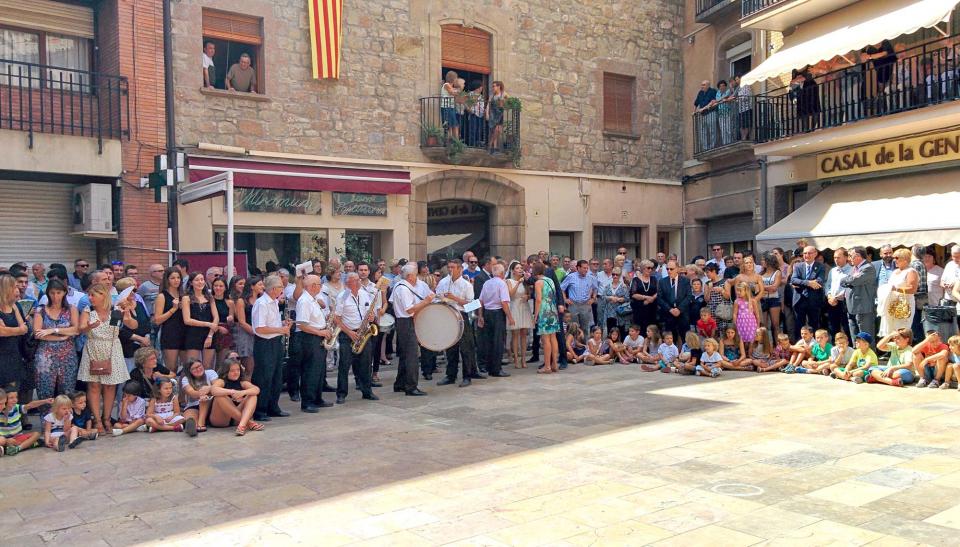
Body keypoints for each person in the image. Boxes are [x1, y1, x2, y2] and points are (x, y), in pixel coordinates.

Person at [78, 283, 135, 433]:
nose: (90, 298)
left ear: (103, 295)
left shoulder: (115, 310)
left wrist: (127, 315)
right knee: (94, 386)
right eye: (89, 295)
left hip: (112, 348)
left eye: (93, 295)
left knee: (110, 385)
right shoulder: (88, 310)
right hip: (93, 348)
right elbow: (81, 329)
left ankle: (107, 418)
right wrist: (90, 326)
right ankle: (97, 420)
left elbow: (134, 325)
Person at [32, 279, 79, 409]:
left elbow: (75, 329)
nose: (55, 296)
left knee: (67, 389)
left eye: (58, 292)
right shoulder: (40, 310)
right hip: (45, 355)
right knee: (45, 389)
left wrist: (52, 330)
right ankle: (46, 421)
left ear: (64, 292)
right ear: (48, 293)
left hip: (67, 354)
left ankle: (66, 421)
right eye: (52, 293)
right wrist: (62, 337)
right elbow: (38, 333)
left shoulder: (71, 309)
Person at [251, 275, 291, 421]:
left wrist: (282, 324)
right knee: (264, 377)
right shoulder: (261, 304)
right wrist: (281, 330)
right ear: (273, 289)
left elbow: (271, 324)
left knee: (276, 376)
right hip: (264, 344)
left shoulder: (274, 302)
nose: (282, 289)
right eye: (281, 287)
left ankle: (273, 406)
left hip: (275, 342)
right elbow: (260, 328)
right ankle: (260, 410)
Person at [390, 264, 434, 395]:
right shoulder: (403, 289)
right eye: (415, 275)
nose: (416, 278)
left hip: (403, 322)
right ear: (410, 276)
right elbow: (409, 309)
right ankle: (411, 387)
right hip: (406, 321)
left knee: (405, 355)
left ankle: (400, 383)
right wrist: (426, 301)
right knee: (411, 356)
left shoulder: (401, 286)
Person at [436, 259, 481, 386]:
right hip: (447, 314)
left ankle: (467, 376)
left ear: (460, 269)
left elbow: (472, 305)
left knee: (466, 347)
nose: (450, 269)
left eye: (453, 267)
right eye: (449, 267)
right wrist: (442, 299)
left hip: (461, 315)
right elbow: (436, 297)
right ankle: (450, 375)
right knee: (450, 347)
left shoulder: (466, 285)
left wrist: (454, 299)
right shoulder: (444, 282)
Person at [295, 274, 334, 411]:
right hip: (310, 338)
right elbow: (302, 324)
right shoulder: (305, 301)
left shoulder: (313, 299)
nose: (321, 287)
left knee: (319, 370)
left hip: (318, 336)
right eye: (319, 284)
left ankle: (317, 398)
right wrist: (320, 332)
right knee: (310, 371)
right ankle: (308, 402)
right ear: (312, 286)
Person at [477, 263, 514, 378]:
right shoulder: (502, 284)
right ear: (502, 273)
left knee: (488, 341)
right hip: (498, 313)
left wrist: (480, 316)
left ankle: (488, 366)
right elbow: (504, 302)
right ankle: (497, 369)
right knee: (498, 342)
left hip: (487, 313)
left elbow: (481, 301)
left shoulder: (487, 283)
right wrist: (510, 317)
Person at [210, 358, 262, 435]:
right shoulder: (221, 381)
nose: (236, 372)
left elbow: (256, 389)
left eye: (238, 370)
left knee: (253, 395)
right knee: (219, 396)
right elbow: (213, 390)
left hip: (237, 420)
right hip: (221, 419)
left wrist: (242, 392)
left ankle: (242, 425)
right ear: (226, 371)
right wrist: (232, 392)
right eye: (232, 371)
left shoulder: (242, 382)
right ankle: (249, 422)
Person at [877, 248, 919, 337]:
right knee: (891, 332)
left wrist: (896, 288)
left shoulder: (911, 271)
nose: (894, 260)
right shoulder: (895, 271)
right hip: (892, 305)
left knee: (902, 331)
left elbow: (912, 289)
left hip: (904, 305)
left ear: (905, 259)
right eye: (894, 257)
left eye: (897, 258)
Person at [154, 268, 186, 374]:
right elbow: (157, 320)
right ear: (167, 280)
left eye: (178, 278)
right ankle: (170, 389)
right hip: (170, 333)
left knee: (188, 366)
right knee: (172, 367)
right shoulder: (162, 296)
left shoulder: (184, 295)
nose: (176, 280)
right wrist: (173, 309)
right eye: (173, 278)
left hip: (185, 333)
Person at [790, 246, 826, 338]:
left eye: (809, 253)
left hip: (814, 301)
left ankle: (814, 346)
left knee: (814, 324)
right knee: (799, 325)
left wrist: (801, 282)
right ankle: (799, 345)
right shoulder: (798, 266)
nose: (806, 255)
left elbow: (819, 281)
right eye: (805, 253)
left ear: (815, 254)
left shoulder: (820, 266)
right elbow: (793, 280)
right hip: (799, 300)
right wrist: (808, 283)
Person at [0, 274, 28, 394]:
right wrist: (18, 330)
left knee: (12, 396)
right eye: (15, 287)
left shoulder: (16, 307)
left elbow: (25, 329)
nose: (18, 290)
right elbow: (2, 332)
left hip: (13, 356)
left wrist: (10, 331)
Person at [116, 277, 151, 372]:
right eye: (131, 290)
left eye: (135, 290)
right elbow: (115, 329)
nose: (134, 293)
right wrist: (139, 338)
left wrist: (146, 337)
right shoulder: (116, 307)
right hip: (126, 347)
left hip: (143, 347)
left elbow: (147, 322)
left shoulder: (139, 304)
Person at [532, 262, 561, 374]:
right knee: (553, 338)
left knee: (545, 340)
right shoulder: (550, 280)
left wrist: (536, 315)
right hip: (553, 309)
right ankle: (554, 364)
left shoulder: (538, 282)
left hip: (544, 311)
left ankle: (547, 366)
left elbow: (539, 299)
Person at [0, 389, 45, 455]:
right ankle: (30, 444)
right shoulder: (1, 411)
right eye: (11, 398)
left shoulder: (17, 408)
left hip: (18, 437)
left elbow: (30, 405)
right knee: (4, 440)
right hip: (7, 439)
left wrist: (45, 401)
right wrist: (6, 441)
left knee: (36, 434)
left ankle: (18, 448)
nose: (15, 400)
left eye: (16, 397)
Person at [657, 260, 692, 342]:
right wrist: (670, 309)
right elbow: (659, 298)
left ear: (677, 269)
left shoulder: (685, 281)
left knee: (685, 338)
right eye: (667, 269)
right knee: (670, 339)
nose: (669, 271)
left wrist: (679, 309)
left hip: (682, 313)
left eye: (671, 269)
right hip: (668, 314)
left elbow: (689, 296)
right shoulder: (662, 281)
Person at [180, 358, 216, 434]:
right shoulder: (186, 379)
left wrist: (208, 389)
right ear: (189, 371)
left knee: (205, 399)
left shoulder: (210, 372)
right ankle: (193, 428)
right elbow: (191, 393)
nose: (198, 369)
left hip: (211, 403)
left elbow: (217, 385)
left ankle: (201, 423)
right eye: (194, 368)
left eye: (199, 366)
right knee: (190, 419)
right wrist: (203, 392)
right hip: (194, 405)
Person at [506, 261, 531, 369]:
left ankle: (524, 359)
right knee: (515, 334)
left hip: (524, 307)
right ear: (512, 271)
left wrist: (528, 296)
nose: (520, 270)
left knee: (524, 334)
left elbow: (529, 293)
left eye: (521, 268)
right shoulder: (509, 281)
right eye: (517, 268)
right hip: (514, 306)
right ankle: (516, 358)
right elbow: (510, 295)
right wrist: (518, 283)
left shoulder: (525, 281)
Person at [234, 276, 259, 379]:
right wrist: (255, 332)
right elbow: (242, 322)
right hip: (247, 335)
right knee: (249, 367)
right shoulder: (242, 301)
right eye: (260, 284)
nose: (263, 286)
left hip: (260, 334)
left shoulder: (261, 299)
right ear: (252, 286)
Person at [210, 277, 234, 366]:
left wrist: (230, 319)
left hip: (224, 334)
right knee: (209, 362)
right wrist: (218, 327)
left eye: (221, 286)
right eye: (216, 286)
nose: (218, 288)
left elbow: (231, 323)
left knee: (221, 363)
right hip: (211, 330)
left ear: (225, 288)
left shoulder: (230, 302)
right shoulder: (209, 300)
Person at [599, 268, 628, 335]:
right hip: (610, 312)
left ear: (620, 276)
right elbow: (603, 297)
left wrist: (618, 299)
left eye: (617, 275)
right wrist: (610, 297)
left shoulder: (623, 287)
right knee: (611, 330)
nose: (615, 276)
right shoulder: (607, 286)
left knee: (620, 331)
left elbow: (627, 298)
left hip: (620, 312)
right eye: (613, 274)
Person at [733, 282, 760, 347]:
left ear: (746, 291)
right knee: (742, 338)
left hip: (751, 323)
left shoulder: (753, 301)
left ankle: (750, 352)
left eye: (740, 291)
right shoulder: (737, 301)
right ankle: (743, 352)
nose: (738, 292)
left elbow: (757, 314)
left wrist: (758, 325)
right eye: (737, 291)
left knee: (752, 337)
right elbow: (735, 314)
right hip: (740, 323)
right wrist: (735, 324)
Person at [487, 80, 508, 152]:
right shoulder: (492, 96)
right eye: (492, 86)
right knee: (494, 130)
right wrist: (487, 113)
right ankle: (494, 147)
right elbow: (488, 105)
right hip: (493, 114)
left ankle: (490, 144)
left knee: (498, 130)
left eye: (494, 86)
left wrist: (504, 103)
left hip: (499, 114)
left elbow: (509, 101)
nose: (493, 88)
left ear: (499, 86)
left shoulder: (503, 94)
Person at [440, 70, 460, 141]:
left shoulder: (451, 86)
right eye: (456, 78)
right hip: (446, 107)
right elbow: (453, 92)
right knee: (450, 126)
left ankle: (455, 142)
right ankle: (453, 142)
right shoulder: (446, 85)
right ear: (453, 78)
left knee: (454, 125)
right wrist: (460, 87)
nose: (456, 80)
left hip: (450, 107)